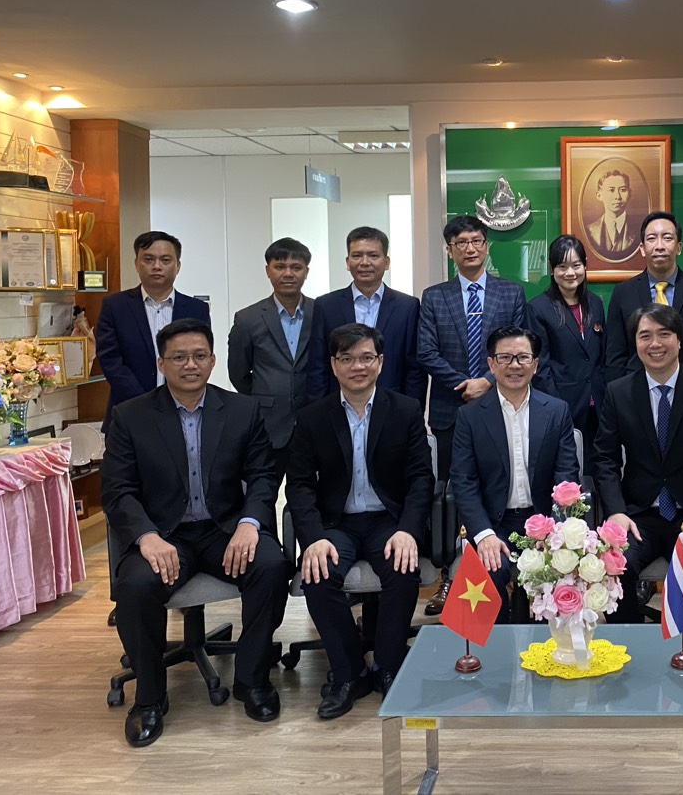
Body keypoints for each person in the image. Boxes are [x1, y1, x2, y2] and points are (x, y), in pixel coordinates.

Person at [101, 318, 288, 747]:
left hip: (225, 529)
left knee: (272, 565)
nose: (191, 365)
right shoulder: (131, 416)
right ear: (161, 363)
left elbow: (263, 476)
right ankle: (150, 698)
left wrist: (249, 524)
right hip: (164, 534)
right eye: (179, 357)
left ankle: (252, 680)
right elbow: (117, 490)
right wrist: (146, 536)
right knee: (135, 584)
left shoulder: (242, 410)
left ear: (213, 360)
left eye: (199, 356)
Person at [285, 323, 434, 717]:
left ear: (380, 362)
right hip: (337, 525)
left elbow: (422, 478)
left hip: (388, 520)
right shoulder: (313, 417)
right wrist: (313, 538)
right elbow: (299, 484)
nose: (357, 366)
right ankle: (349, 673)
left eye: (366, 357)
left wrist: (408, 530)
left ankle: (389, 666)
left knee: (403, 569)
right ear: (334, 365)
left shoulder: (404, 410)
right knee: (318, 574)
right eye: (347, 358)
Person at [593, 303, 683, 625]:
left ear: (679, 340)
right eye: (645, 336)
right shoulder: (619, 392)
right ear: (635, 343)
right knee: (613, 567)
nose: (655, 344)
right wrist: (616, 511)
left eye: (664, 334)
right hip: (637, 516)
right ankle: (628, 647)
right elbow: (604, 458)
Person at [418, 214, 527, 612]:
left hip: (501, 404)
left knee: (500, 486)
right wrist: (466, 384)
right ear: (450, 250)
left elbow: (520, 346)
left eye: (477, 241)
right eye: (460, 243)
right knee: (453, 496)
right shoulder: (434, 296)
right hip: (451, 410)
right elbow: (426, 352)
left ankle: (507, 571)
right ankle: (451, 577)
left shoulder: (510, 293)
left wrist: (488, 380)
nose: (470, 248)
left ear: (487, 246)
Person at [448, 326, 580, 621]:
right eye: (505, 357)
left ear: (535, 364)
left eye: (523, 357)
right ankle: (498, 648)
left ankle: (544, 646)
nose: (514, 365)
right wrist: (483, 535)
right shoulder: (470, 416)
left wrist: (556, 531)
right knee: (489, 573)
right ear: (491, 364)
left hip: (543, 521)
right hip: (495, 523)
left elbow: (566, 477)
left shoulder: (556, 411)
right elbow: (463, 481)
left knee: (555, 575)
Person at [96, 231, 209, 429]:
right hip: (128, 412)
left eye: (165, 260)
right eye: (148, 259)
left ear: (178, 266)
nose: (157, 266)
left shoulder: (196, 309)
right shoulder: (115, 306)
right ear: (136, 264)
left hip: (184, 413)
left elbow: (200, 358)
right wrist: (145, 403)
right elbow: (110, 360)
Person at [307, 226, 426, 403]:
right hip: (338, 404)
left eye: (373, 255)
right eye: (357, 256)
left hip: (393, 404)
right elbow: (318, 365)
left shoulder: (407, 306)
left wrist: (412, 410)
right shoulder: (326, 305)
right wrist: (319, 410)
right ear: (347, 262)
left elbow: (414, 368)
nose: (365, 262)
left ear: (386, 262)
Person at [226, 237, 313, 478]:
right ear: (268, 270)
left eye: (296, 267)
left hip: (312, 418)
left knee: (309, 491)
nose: (288, 274)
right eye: (280, 266)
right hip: (268, 422)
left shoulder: (321, 312)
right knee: (263, 487)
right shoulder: (248, 319)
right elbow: (238, 373)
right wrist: (263, 397)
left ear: (306, 272)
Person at [526, 235, 606, 474]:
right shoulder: (538, 308)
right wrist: (557, 406)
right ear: (552, 269)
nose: (570, 273)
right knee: (565, 471)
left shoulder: (595, 303)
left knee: (596, 469)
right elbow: (540, 366)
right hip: (562, 404)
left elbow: (601, 356)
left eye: (576, 265)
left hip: (597, 405)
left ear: (585, 265)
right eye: (562, 266)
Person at [606, 212, 683, 379]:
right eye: (651, 238)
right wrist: (619, 391)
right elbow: (615, 354)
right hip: (636, 387)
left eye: (667, 238)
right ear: (642, 249)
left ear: (679, 247)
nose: (659, 246)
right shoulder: (622, 292)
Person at [585, 167, 638, 260]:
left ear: (630, 193)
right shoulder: (589, 231)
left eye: (622, 190)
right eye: (611, 190)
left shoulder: (639, 229)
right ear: (599, 195)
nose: (617, 196)